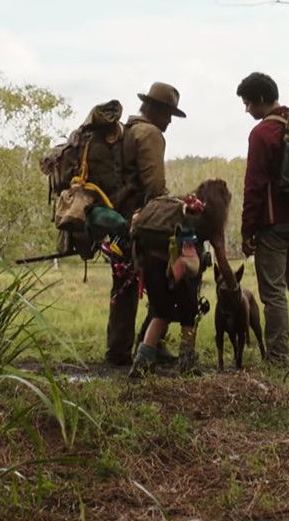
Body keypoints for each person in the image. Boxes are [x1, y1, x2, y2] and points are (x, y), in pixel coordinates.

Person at [236, 72, 289, 371]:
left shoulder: (262, 134)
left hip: (274, 224)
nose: (247, 111)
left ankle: (277, 359)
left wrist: (247, 231)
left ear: (261, 100)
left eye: (248, 104)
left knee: (273, 293)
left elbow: (254, 186)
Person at [106, 81, 184, 367]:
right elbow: (155, 186)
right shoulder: (150, 133)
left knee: (124, 284)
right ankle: (150, 343)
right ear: (157, 110)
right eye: (169, 115)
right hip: (141, 223)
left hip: (118, 220)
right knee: (162, 279)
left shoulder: (128, 130)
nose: (169, 123)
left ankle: (119, 347)